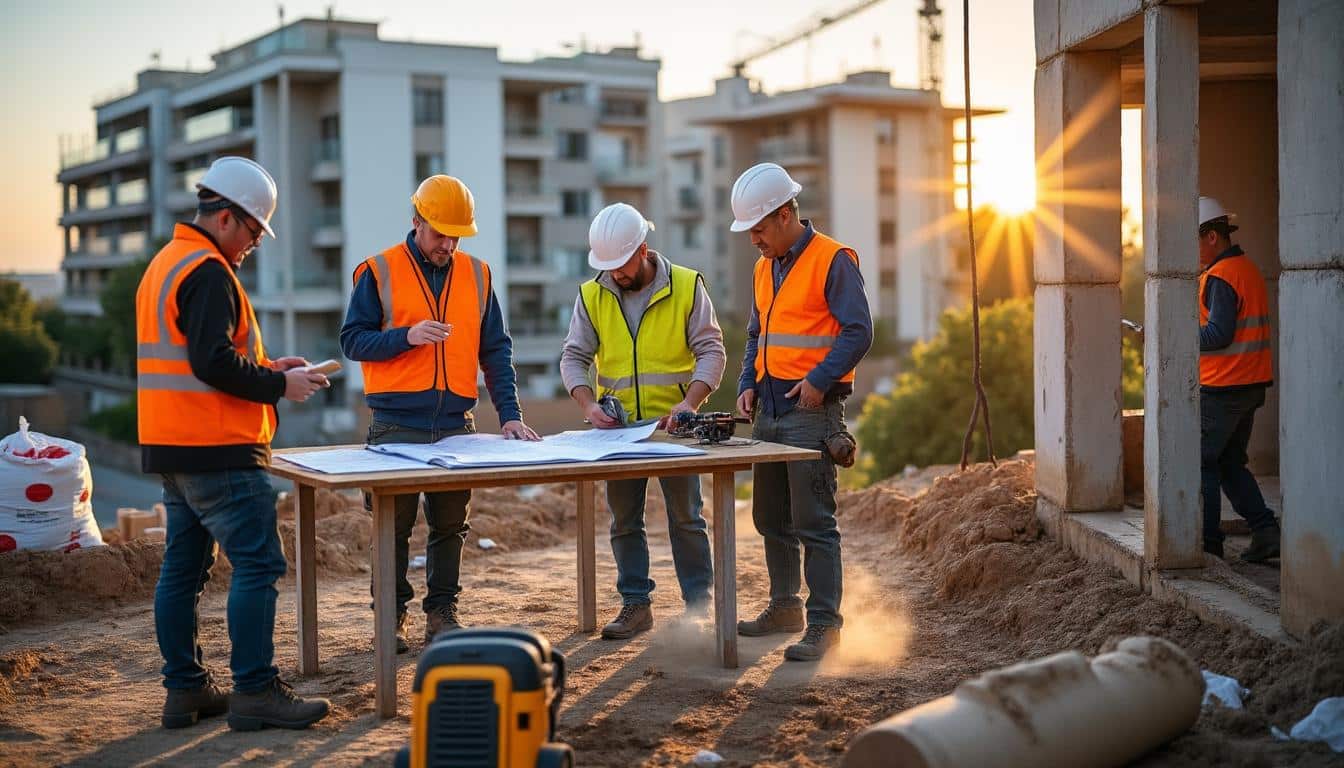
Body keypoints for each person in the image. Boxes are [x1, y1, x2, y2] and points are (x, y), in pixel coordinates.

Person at [138, 156, 331, 731]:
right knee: (258, 563)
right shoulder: (209, 271)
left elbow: (197, 358)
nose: (253, 244)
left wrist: (273, 366)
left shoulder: (166, 264)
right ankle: (254, 691)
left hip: (174, 446)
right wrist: (278, 384)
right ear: (226, 217)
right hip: (216, 448)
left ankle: (187, 690)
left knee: (184, 569)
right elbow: (211, 362)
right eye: (252, 230)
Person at [340, 175, 539, 652]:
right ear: (416, 222)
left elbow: (496, 351)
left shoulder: (478, 274)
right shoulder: (379, 270)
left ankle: (441, 614)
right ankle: (390, 617)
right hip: (394, 425)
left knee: (451, 525)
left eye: (455, 235)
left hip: (456, 426)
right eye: (438, 234)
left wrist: (509, 414)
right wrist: (404, 336)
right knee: (392, 528)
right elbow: (352, 341)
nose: (446, 244)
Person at [559, 203, 723, 639]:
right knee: (624, 520)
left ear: (643, 251)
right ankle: (636, 604)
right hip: (619, 432)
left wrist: (690, 402)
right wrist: (587, 405)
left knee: (687, 518)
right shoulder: (592, 294)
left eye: (621, 265)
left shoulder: (687, 286)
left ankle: (699, 609)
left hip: (675, 429)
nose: (614, 274)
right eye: (606, 266)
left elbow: (711, 350)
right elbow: (574, 356)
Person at [730, 163, 872, 662]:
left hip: (811, 410)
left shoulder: (833, 260)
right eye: (750, 230)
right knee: (770, 516)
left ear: (787, 213)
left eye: (761, 228)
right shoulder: (764, 267)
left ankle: (825, 625)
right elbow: (756, 335)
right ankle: (785, 607)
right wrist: (747, 383)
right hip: (768, 407)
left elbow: (859, 331)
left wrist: (819, 381)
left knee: (814, 521)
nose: (755, 239)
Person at [1196, 196, 1278, 562]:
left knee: (1203, 463)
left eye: (1192, 239)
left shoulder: (1220, 276)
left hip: (1224, 388)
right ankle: (1266, 532)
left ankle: (1209, 547)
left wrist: (1171, 334)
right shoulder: (1246, 268)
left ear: (1212, 236)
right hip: (1250, 384)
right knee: (1230, 463)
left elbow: (1219, 334)